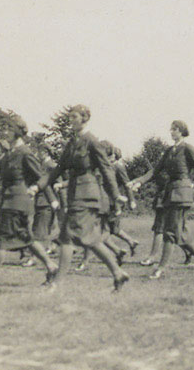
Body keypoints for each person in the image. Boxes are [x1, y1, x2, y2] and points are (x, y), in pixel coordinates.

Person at [38, 104, 131, 291]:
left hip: (87, 196)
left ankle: (56, 283)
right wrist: (37, 186)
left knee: (66, 238)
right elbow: (58, 169)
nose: (71, 120)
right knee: (89, 239)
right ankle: (118, 273)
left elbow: (106, 168)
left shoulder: (91, 140)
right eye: (70, 117)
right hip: (75, 194)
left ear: (84, 118)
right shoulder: (72, 142)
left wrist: (115, 195)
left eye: (74, 117)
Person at [0, 116, 59, 288]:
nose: (6, 132)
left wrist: (52, 199)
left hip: (18, 203)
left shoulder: (25, 153)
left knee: (0, 240)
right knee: (26, 239)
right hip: (10, 203)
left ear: (18, 131)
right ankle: (51, 266)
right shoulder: (9, 155)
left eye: (9, 129)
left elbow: (42, 178)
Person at [132, 120, 194, 280]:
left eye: (174, 129)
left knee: (169, 232)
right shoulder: (169, 150)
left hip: (182, 193)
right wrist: (139, 181)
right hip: (171, 193)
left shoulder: (188, 148)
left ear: (182, 131)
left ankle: (160, 269)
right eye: (171, 129)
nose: (171, 132)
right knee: (179, 232)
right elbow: (155, 170)